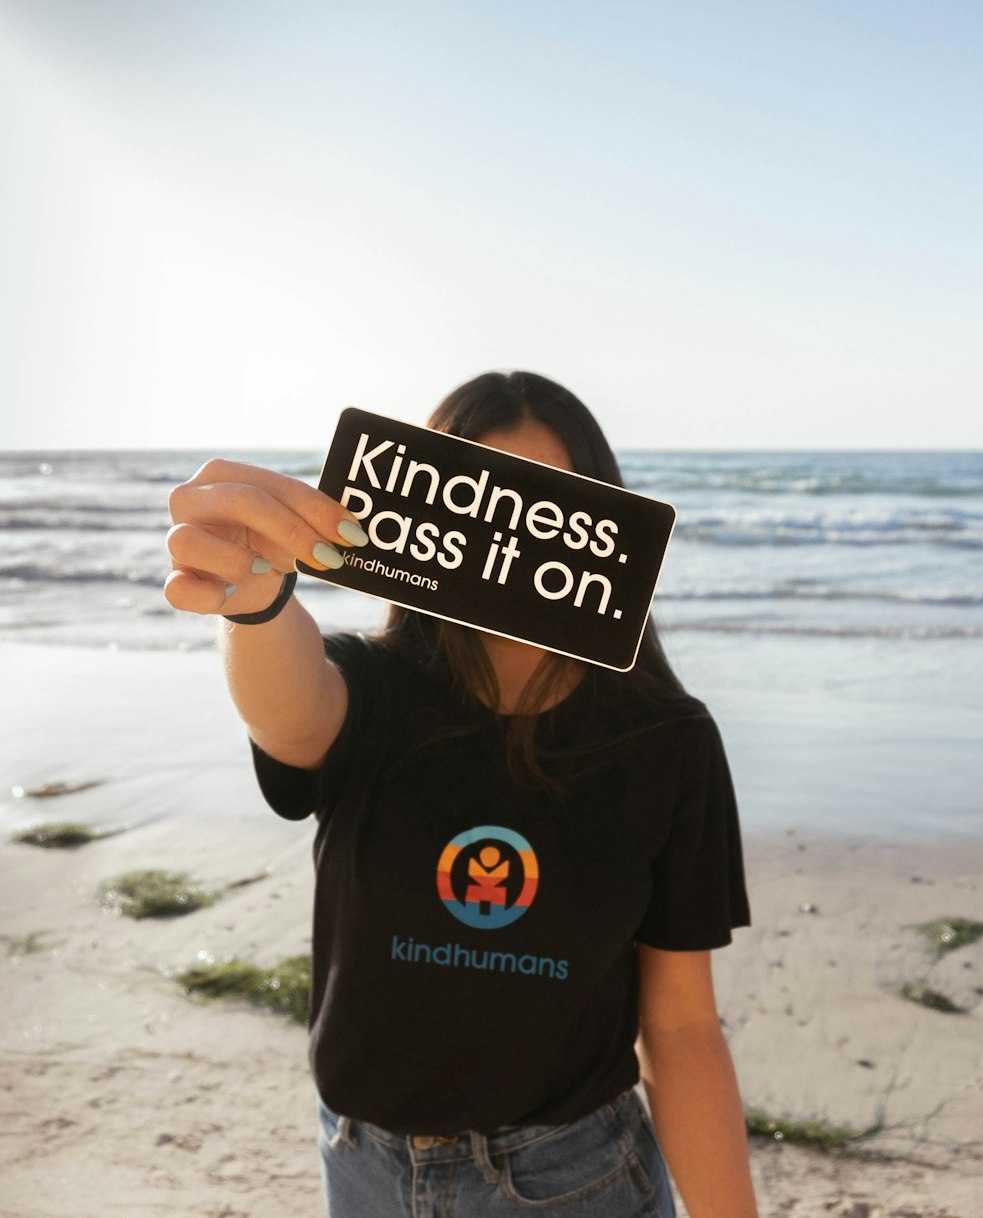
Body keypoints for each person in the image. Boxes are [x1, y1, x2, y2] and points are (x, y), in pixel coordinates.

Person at [165, 370, 758, 1218]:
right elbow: (292, 711)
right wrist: (256, 599)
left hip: (574, 1178)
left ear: (603, 529)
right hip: (362, 1166)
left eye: (548, 510)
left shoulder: (666, 741)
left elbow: (684, 1027)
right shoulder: (372, 693)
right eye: (482, 506)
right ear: (424, 522)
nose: (510, 545)